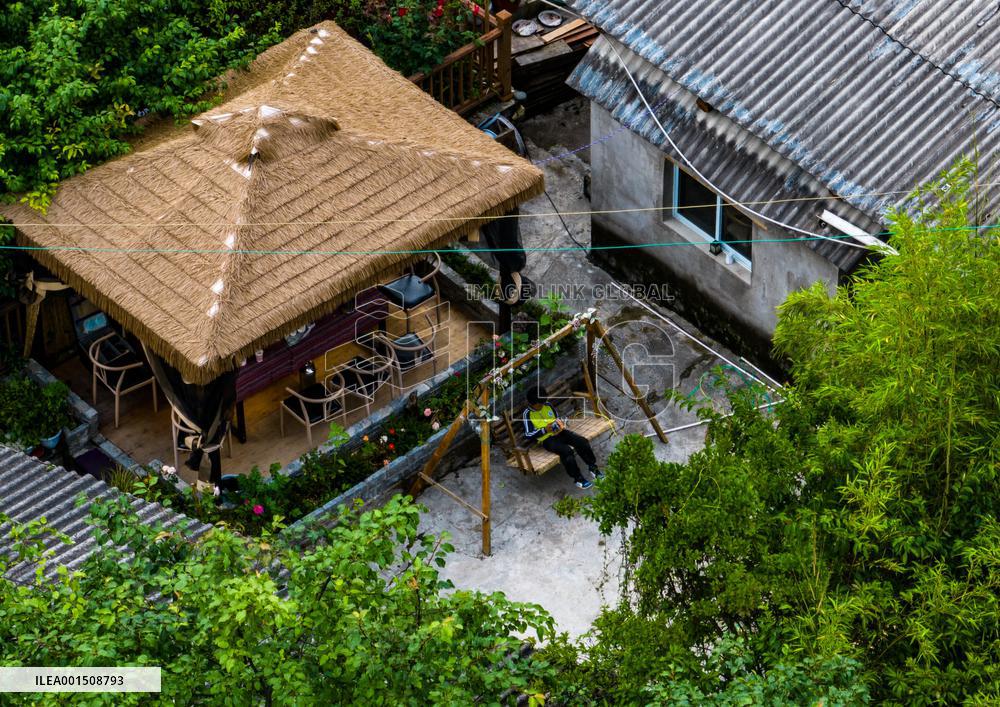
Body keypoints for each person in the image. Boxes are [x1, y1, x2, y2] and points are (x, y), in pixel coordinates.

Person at [523, 387, 602, 489]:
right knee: (566, 451)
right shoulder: (527, 414)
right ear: (533, 403)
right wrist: (544, 430)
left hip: (560, 433)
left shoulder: (547, 405)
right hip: (547, 440)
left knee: (582, 441)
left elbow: (557, 418)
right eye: (540, 404)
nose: (543, 405)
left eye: (544, 402)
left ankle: (593, 468)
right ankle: (578, 478)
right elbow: (528, 434)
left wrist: (560, 423)